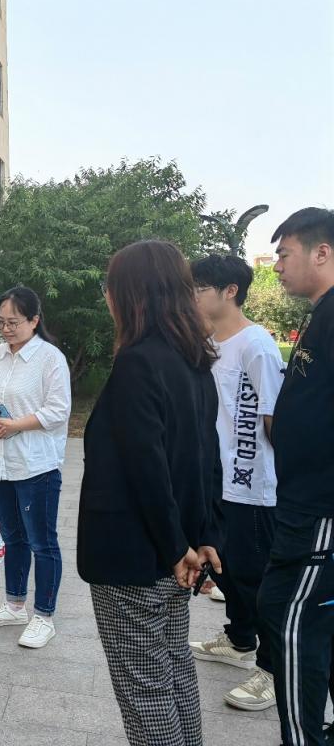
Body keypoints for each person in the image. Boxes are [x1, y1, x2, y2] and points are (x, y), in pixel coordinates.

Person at [78, 240, 223, 746]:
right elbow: (207, 458)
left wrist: (176, 546)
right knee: (174, 667)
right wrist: (202, 537)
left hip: (138, 557)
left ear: (132, 293)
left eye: (110, 286)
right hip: (176, 552)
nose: (106, 296)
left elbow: (147, 468)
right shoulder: (193, 361)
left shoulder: (138, 363)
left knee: (145, 689)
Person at [188, 254, 284, 711]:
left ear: (230, 292)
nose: (192, 296)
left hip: (252, 486)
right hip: (216, 480)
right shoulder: (207, 343)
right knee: (226, 568)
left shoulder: (256, 344)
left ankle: (273, 670)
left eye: (199, 288)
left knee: (257, 577)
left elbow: (274, 417)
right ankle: (240, 639)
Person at [257, 207, 334, 746]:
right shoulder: (320, 313)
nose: (278, 266)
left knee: (289, 618)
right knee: (309, 618)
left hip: (319, 508)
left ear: (321, 252)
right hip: (302, 501)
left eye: (284, 254)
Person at [0, 287, 71, 649]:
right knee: (13, 538)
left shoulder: (50, 358)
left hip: (36, 465)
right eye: (1, 322)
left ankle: (44, 615)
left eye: (13, 322)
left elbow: (58, 410)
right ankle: (14, 605)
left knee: (42, 542)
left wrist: (15, 425)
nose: (6, 329)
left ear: (34, 320)